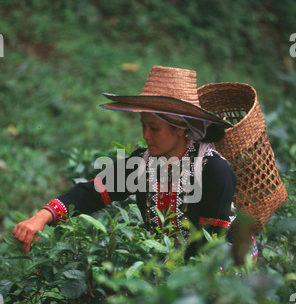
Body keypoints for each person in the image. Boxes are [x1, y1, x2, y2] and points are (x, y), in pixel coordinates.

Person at [13, 65, 242, 260]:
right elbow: (93, 192)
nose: (146, 135)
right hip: (167, 262)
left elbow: (210, 242)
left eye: (154, 128)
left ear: (182, 130)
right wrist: (41, 217)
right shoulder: (142, 163)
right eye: (143, 126)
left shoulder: (212, 170)